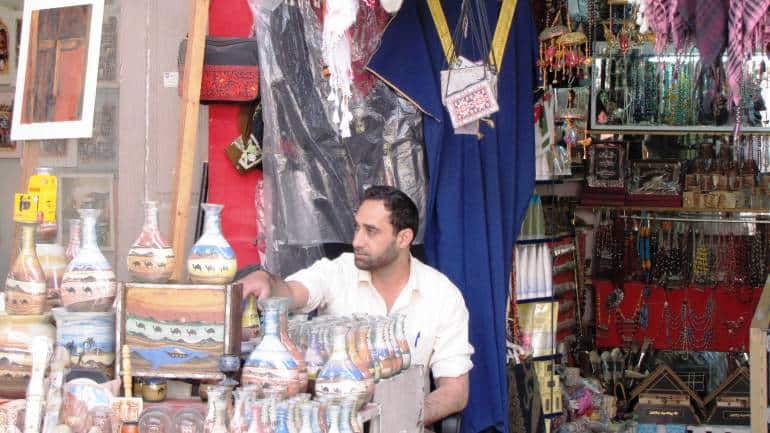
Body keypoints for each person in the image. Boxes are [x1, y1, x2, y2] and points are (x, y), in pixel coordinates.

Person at [239, 185, 474, 427]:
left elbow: (455, 391)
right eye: (357, 228)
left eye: (371, 231)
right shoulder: (338, 271)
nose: (356, 241)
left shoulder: (442, 294)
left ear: (403, 238)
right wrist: (267, 282)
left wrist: (408, 414)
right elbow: (292, 293)